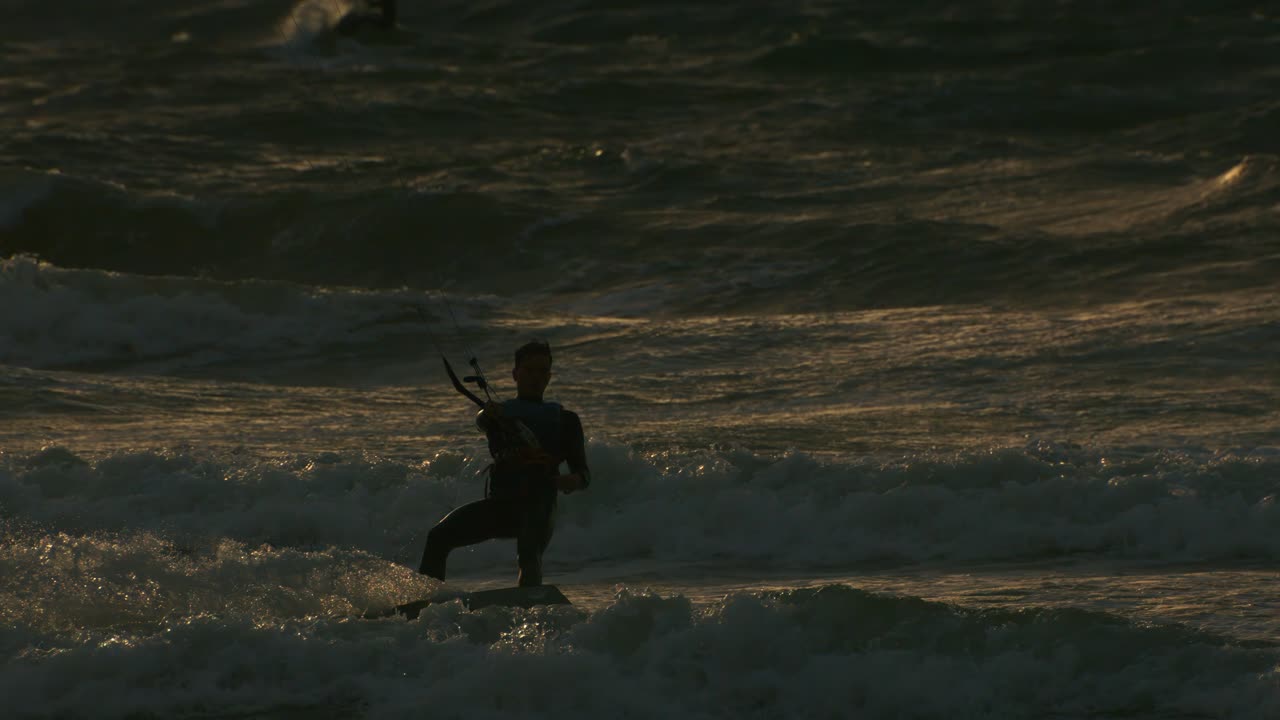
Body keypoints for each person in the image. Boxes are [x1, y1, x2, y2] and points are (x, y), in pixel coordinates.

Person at [418, 340, 590, 587]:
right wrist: (488, 414)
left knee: (529, 556)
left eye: (542, 371)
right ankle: (425, 604)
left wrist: (572, 480)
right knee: (438, 537)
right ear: (515, 374)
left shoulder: (566, 420)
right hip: (501, 506)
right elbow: (481, 421)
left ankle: (530, 606)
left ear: (549, 377)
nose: (536, 377)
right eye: (529, 370)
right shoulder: (497, 414)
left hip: (539, 505)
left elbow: (584, 474)